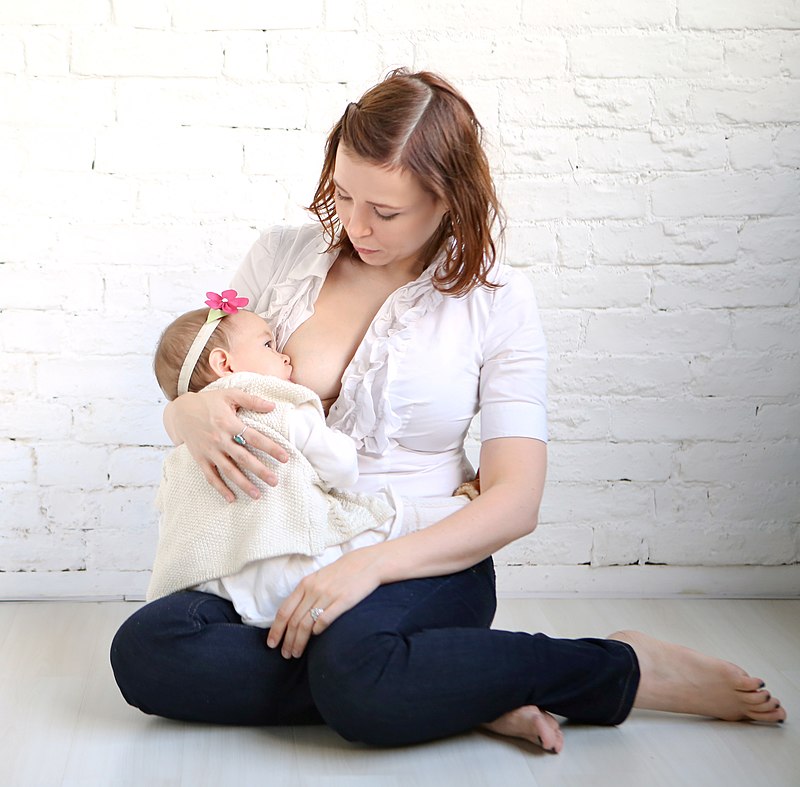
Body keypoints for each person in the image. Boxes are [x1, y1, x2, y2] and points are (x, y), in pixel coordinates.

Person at [111, 68, 785, 753]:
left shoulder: (499, 302)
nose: (356, 224)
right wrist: (183, 415)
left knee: (358, 678)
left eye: (386, 210)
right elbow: (207, 361)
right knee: (147, 650)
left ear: (446, 197)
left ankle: (623, 668)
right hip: (278, 548)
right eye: (344, 195)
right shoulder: (282, 256)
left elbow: (516, 501)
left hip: (421, 558)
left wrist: (368, 566)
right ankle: (458, 687)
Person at [147, 298, 469, 627]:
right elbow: (342, 468)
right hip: (292, 564)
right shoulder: (276, 405)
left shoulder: (185, 450)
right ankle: (456, 512)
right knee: (380, 519)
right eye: (269, 344)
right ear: (224, 363)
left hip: (220, 583)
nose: (284, 354)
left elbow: (170, 517)